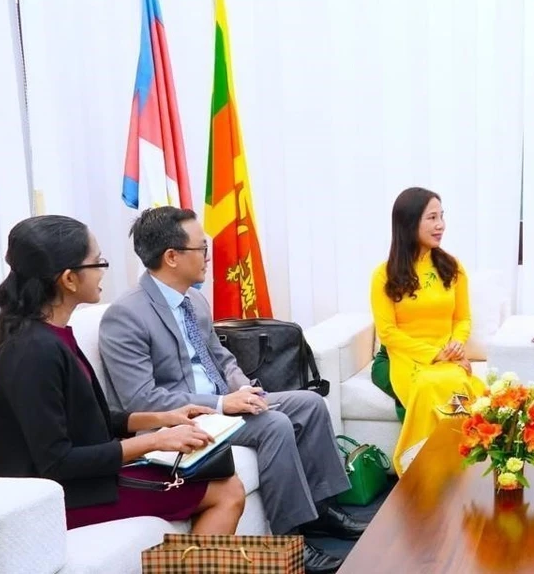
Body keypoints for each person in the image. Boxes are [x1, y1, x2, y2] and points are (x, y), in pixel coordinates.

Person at [98, 207, 356, 574]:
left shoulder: (194, 300)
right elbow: (141, 399)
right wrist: (222, 402)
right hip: (182, 420)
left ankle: (323, 510)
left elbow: (222, 358)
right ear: (172, 257)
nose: (208, 257)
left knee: (309, 403)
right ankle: (291, 540)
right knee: (276, 425)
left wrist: (244, 390)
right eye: (201, 249)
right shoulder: (126, 316)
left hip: (225, 405)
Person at [0, 215, 245, 533]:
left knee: (219, 475)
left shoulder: (52, 334)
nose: (103, 271)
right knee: (227, 490)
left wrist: (161, 418)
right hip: (56, 498)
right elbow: (57, 461)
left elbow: (87, 418)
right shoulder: (33, 351)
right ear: (69, 279)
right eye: (98, 262)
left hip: (83, 481)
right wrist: (156, 442)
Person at [369, 187, 486, 475]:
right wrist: (435, 355)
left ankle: (458, 469)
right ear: (410, 223)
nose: (441, 225)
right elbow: (387, 332)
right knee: (428, 386)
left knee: (459, 384)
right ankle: (423, 471)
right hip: (405, 359)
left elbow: (463, 318)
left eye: (442, 216)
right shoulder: (384, 275)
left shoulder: (452, 268)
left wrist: (457, 346)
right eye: (432, 217)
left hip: (447, 356)